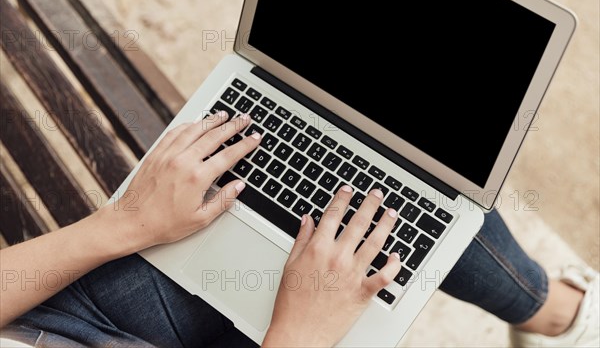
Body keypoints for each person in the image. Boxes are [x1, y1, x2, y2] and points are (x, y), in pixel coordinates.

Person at [1, 113, 597, 347]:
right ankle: (558, 316)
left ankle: (544, 311)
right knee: (388, 212)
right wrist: (300, 335)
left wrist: (122, 224)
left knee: (368, 144)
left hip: (53, 322)